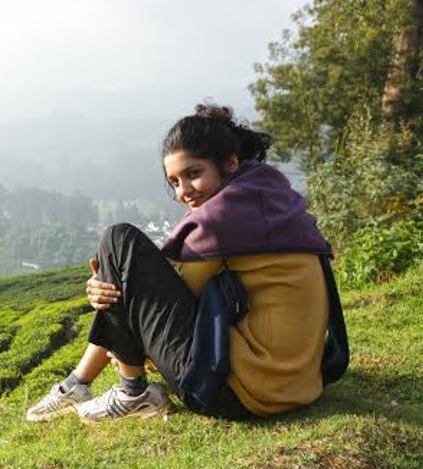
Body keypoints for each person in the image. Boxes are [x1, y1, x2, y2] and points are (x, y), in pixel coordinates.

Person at [26, 103, 338, 423]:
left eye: (193, 174)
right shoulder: (266, 202)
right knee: (119, 270)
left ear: (229, 163)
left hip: (240, 395)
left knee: (118, 239)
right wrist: (115, 286)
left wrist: (114, 288)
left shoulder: (224, 221)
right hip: (298, 386)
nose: (183, 191)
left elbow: (153, 307)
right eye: (174, 181)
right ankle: (79, 384)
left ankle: (129, 390)